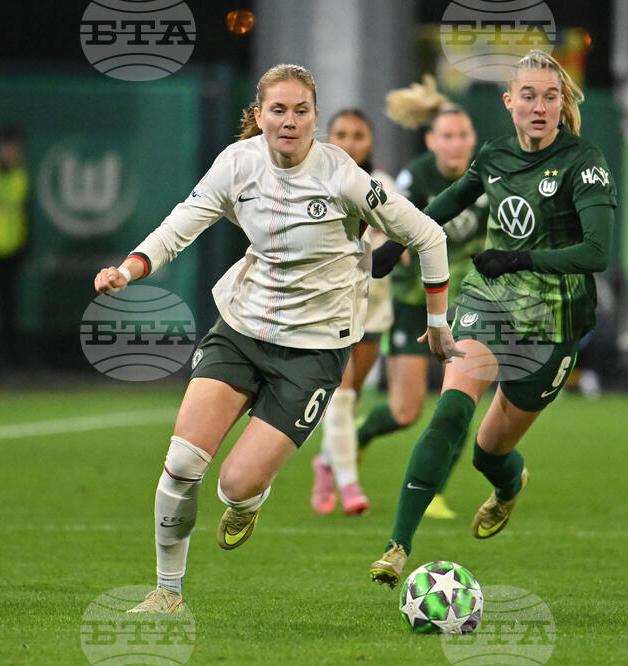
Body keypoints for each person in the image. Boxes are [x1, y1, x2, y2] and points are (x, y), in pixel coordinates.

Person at [93, 63, 460, 614]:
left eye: (301, 110)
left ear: (316, 117)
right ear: (260, 115)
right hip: (240, 332)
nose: (289, 121)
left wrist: (436, 322)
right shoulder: (238, 164)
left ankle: (247, 501)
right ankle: (168, 593)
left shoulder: (345, 177)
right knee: (182, 462)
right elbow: (180, 224)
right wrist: (130, 268)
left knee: (234, 485)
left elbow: (429, 236)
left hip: (312, 354)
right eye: (278, 110)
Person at [366, 50, 617, 587]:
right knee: (449, 413)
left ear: (562, 103)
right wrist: (395, 243)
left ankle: (508, 487)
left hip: (555, 323)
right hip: (490, 303)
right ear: (509, 103)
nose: (540, 106)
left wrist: (520, 258)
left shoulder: (585, 162)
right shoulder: (497, 154)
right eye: (528, 95)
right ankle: (397, 546)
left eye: (551, 96)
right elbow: (453, 199)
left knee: (489, 451)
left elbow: (597, 253)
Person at [356, 76, 488, 520]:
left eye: (463, 135)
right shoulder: (417, 176)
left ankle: (433, 493)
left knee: (459, 405)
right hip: (417, 302)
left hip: (468, 304)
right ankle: (358, 436)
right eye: (447, 136)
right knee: (406, 411)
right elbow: (395, 219)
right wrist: (402, 245)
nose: (456, 144)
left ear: (472, 141)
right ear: (431, 140)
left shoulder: (487, 179)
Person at [310, 108, 397, 516]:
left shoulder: (384, 186)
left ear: (371, 142)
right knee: (341, 398)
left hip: (374, 309)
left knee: (353, 397)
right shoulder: (313, 183)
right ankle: (349, 485)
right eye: (340, 132)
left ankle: (326, 463)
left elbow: (404, 236)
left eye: (358, 134)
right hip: (329, 307)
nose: (348, 140)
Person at [0, 126, 29, 371]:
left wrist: (24, 246)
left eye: (17, 148)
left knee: (10, 310)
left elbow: (23, 213)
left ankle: (10, 360)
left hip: (10, 253)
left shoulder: (20, 175)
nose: (13, 152)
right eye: (9, 147)